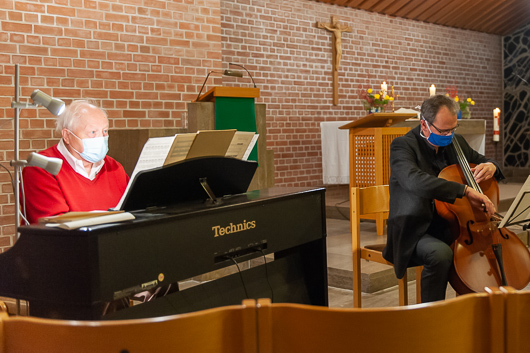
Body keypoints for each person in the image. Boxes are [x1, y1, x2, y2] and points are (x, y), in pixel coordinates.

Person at [382, 94, 504, 303]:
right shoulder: (402, 146)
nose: (449, 135)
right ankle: (431, 317)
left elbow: (483, 160)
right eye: (444, 131)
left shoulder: (456, 142)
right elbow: (415, 181)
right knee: (440, 255)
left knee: (481, 248)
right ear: (424, 124)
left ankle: (476, 312)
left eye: (453, 129)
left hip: (453, 224)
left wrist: (492, 166)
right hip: (415, 228)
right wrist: (464, 191)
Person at [22, 100, 129, 225]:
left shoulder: (114, 168)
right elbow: (56, 227)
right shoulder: (43, 167)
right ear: (67, 135)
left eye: (105, 131)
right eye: (93, 132)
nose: (101, 138)